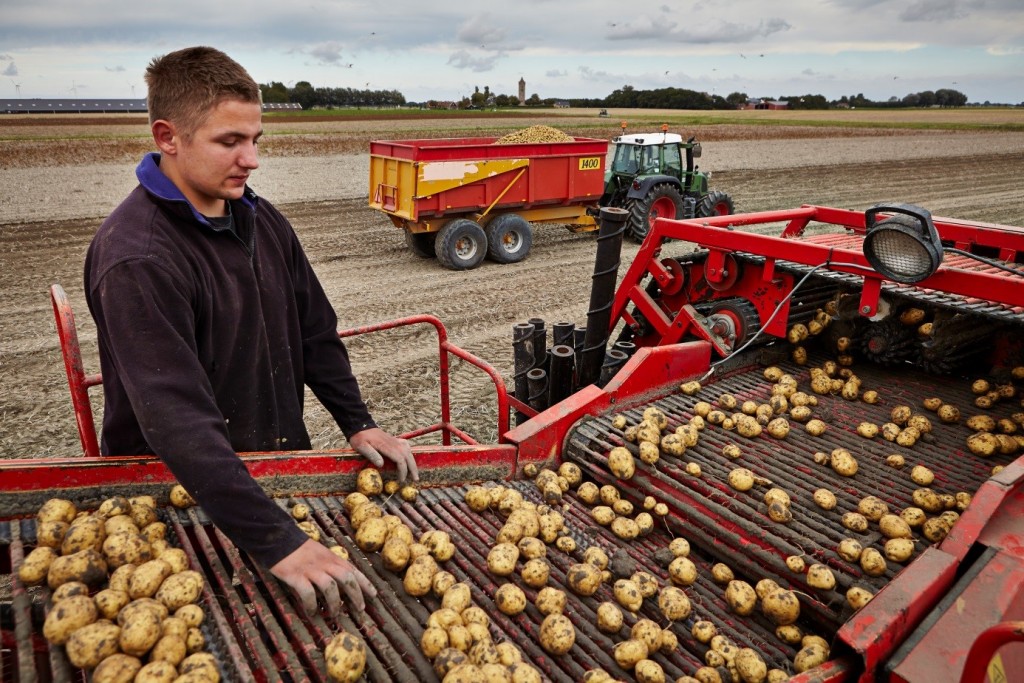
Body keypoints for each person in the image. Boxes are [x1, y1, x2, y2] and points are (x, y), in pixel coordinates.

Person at [84, 45, 417, 619]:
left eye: (255, 139)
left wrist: (358, 422)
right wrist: (278, 542)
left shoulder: (260, 220)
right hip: (181, 492)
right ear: (168, 137)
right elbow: (176, 419)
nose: (251, 159)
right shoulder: (138, 258)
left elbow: (316, 332)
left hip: (274, 462)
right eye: (229, 141)